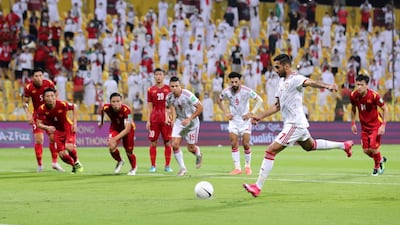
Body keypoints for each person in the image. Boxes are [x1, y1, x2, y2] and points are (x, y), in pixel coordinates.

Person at [243, 54, 354, 197]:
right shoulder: (281, 83)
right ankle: (344, 145)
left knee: (270, 151)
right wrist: (260, 116)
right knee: (311, 146)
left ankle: (257, 187)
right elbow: (277, 106)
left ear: (286, 66)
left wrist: (327, 86)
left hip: (294, 124)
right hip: (296, 123)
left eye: (278, 67)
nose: (275, 70)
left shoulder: (295, 78)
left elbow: (310, 82)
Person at [217, 71, 263, 175]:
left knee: (246, 144)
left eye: (236, 82)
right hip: (233, 121)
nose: (234, 84)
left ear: (240, 81)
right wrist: (226, 113)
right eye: (232, 82)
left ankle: (247, 166)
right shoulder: (226, 91)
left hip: (245, 121)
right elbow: (219, 100)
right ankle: (237, 168)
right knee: (234, 143)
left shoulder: (247, 91)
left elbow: (259, 100)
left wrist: (251, 113)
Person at [23, 67, 64, 172]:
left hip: (49, 115)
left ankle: (54, 163)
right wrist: (28, 114)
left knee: (53, 138)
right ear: (32, 77)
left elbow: (56, 95)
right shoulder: (28, 87)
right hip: (37, 116)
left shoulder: (49, 83)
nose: (39, 78)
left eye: (40, 75)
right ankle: (40, 165)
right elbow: (25, 103)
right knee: (39, 139)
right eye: (36, 76)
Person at [36, 87, 83, 173]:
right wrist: (47, 127)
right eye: (47, 96)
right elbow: (38, 123)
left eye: (52, 95)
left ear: (55, 96)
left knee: (68, 146)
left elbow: (74, 107)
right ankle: (74, 166)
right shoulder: (42, 109)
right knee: (62, 155)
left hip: (68, 128)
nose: (50, 98)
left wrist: (75, 122)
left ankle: (76, 161)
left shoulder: (62, 104)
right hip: (57, 131)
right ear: (44, 98)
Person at [350, 74, 388, 176]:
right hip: (364, 127)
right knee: (366, 151)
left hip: (376, 125)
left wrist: (383, 125)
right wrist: (353, 123)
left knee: (373, 148)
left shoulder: (374, 96)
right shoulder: (353, 95)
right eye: (357, 84)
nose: (359, 87)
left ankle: (377, 168)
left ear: (367, 85)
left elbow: (385, 109)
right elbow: (353, 109)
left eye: (361, 85)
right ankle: (380, 159)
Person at [166, 76, 203, 176]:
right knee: (174, 144)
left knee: (190, 148)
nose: (174, 88)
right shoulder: (169, 97)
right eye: (172, 86)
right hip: (180, 122)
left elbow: (200, 107)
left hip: (191, 123)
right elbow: (169, 107)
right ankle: (183, 168)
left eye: (176, 86)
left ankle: (198, 153)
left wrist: (189, 119)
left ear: (180, 86)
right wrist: (169, 117)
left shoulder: (188, 95)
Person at [98, 92, 137, 175]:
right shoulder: (106, 107)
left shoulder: (128, 111)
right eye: (113, 101)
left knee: (129, 152)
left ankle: (133, 168)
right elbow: (102, 110)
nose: (116, 104)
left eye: (118, 101)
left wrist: (114, 139)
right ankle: (120, 161)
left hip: (128, 130)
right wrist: (101, 122)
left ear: (121, 101)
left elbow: (127, 129)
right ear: (110, 102)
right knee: (111, 146)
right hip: (115, 128)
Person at [146, 68, 173, 173]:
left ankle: (167, 166)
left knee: (167, 142)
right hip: (154, 119)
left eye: (160, 74)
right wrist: (148, 121)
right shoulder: (150, 90)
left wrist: (172, 118)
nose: (158, 76)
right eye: (156, 74)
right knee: (153, 142)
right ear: (154, 76)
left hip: (166, 119)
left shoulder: (169, 89)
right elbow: (149, 107)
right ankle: (153, 166)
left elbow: (172, 105)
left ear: (163, 76)